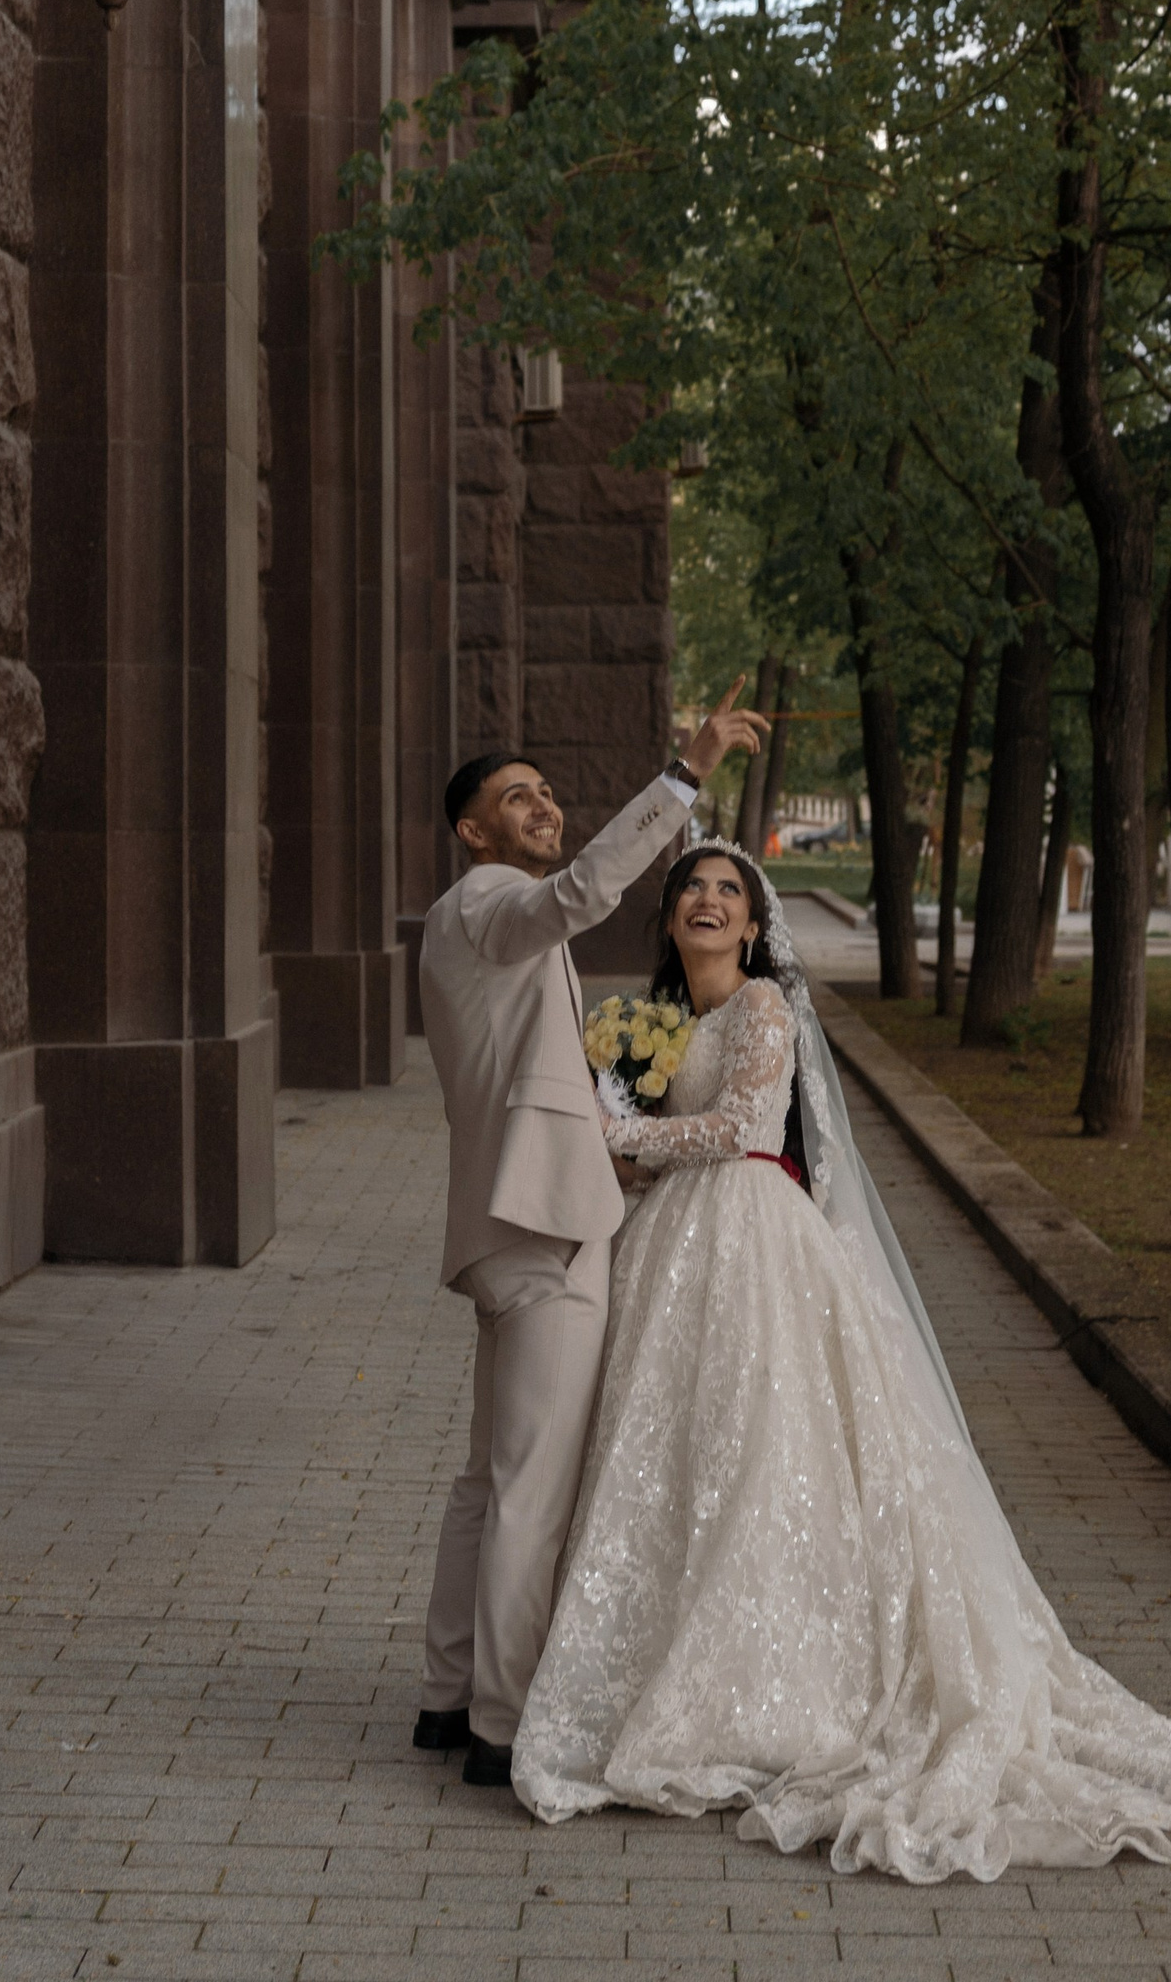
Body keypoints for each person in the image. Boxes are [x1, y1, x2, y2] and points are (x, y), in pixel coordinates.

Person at [509, 844, 1171, 1881]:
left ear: (755, 929)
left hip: (757, 1236)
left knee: (766, 1452)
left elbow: (743, 1127)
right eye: (691, 892)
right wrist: (622, 1133)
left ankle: (772, 1691)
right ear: (668, 921)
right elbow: (659, 1144)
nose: (708, 902)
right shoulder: (659, 1024)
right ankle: (659, 1660)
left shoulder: (763, 1010)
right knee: (675, 1457)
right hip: (674, 1248)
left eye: (729, 893)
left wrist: (621, 1130)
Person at [413, 685, 770, 1788]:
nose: (542, 806)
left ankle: (446, 1691)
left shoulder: (484, 922)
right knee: (531, 1485)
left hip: (516, 1221)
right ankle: (502, 1727)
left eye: (547, 792)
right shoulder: (485, 903)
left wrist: (610, 1138)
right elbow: (577, 894)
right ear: (473, 831)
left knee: (487, 1477)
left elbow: (539, 1076)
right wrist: (687, 772)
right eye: (516, 797)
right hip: (547, 1236)